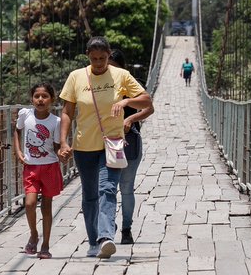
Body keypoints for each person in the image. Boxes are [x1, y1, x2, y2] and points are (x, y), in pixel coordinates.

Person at [58, 36, 152, 259]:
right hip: (84, 145)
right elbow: (67, 112)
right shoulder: (76, 77)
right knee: (90, 195)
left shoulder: (121, 76)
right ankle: (93, 241)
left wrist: (126, 101)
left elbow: (147, 101)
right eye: (94, 58)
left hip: (113, 142)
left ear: (109, 55)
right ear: (88, 56)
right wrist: (63, 141)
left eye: (103, 58)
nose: (99, 62)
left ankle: (106, 238)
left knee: (108, 189)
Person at [109, 49, 154, 244]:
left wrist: (131, 118)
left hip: (128, 142)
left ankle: (126, 228)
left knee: (126, 188)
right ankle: (108, 226)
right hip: (105, 142)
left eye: (112, 65)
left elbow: (149, 107)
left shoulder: (129, 83)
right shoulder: (96, 84)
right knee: (107, 188)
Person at [14, 83, 64, 260]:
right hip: (31, 167)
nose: (40, 100)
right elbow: (17, 130)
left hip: (49, 166)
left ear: (52, 99)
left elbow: (57, 146)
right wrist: (18, 151)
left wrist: (62, 153)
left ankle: (45, 244)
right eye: (37, 96)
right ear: (31, 99)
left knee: (46, 207)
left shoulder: (56, 122)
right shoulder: (25, 115)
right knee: (29, 203)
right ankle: (34, 234)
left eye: (45, 96)